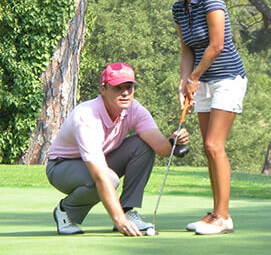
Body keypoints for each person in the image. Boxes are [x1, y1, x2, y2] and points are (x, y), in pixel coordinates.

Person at [156, 0, 247, 235]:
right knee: (209, 150)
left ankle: (223, 217)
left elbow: (217, 45)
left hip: (227, 79)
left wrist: (194, 77)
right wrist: (184, 82)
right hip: (202, 82)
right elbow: (188, 50)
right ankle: (215, 213)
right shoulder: (178, 9)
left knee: (213, 145)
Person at [46, 62, 189, 236]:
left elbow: (161, 148)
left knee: (143, 145)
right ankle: (65, 211)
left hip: (100, 160)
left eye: (129, 87)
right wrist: (119, 220)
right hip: (61, 167)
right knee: (109, 179)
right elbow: (100, 176)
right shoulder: (87, 116)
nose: (125, 93)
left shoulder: (134, 109)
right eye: (117, 88)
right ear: (103, 90)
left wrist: (174, 141)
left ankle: (128, 210)